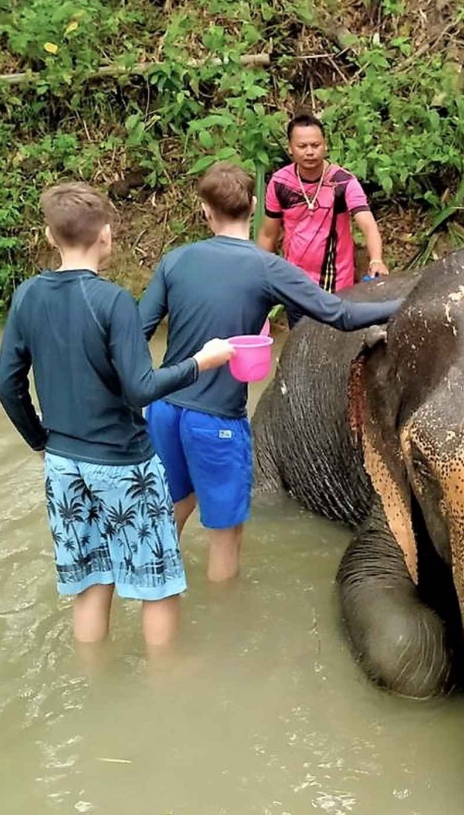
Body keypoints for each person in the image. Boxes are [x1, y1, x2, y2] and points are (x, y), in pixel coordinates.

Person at [0, 182, 235, 647]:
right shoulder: (112, 301)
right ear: (106, 235)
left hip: (64, 463)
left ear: (49, 236)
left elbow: (7, 385)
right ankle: (166, 681)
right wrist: (201, 362)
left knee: (89, 581)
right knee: (157, 584)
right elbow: (140, 387)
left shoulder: (27, 296)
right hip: (123, 464)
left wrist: (42, 442)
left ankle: (92, 677)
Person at [138, 162, 403, 582]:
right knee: (225, 535)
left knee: (170, 509)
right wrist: (405, 301)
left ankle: (154, 594)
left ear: (205, 209)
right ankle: (224, 624)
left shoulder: (176, 260)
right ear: (257, 206)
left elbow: (138, 332)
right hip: (217, 419)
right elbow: (342, 314)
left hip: (164, 409)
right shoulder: (267, 268)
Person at [257, 114, 390, 301]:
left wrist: (376, 259)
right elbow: (268, 234)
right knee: (300, 330)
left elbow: (367, 224)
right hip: (294, 281)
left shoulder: (343, 181)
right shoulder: (280, 183)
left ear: (325, 145)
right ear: (290, 148)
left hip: (337, 282)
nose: (309, 152)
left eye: (315, 145)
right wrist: (260, 273)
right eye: (302, 146)